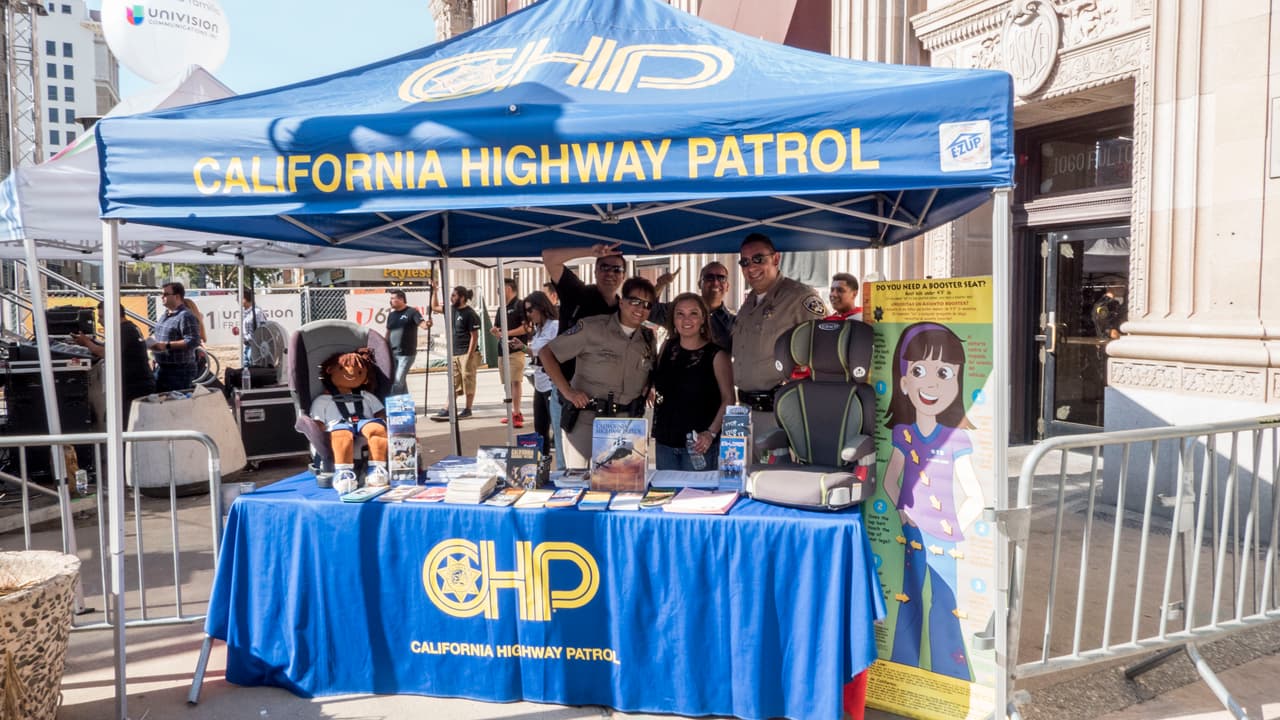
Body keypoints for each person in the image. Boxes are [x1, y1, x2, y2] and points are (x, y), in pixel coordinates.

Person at [882, 322, 983, 682]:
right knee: (909, 598)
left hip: (945, 540)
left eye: (944, 373)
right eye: (919, 371)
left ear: (957, 383)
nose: (931, 383)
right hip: (912, 534)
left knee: (944, 603)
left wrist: (957, 527)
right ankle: (903, 668)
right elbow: (889, 480)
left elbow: (976, 495)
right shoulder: (903, 433)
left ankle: (951, 675)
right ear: (904, 381)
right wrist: (903, 512)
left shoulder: (955, 438)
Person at [539, 277, 657, 469]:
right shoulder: (592, 328)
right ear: (621, 301)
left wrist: (648, 387)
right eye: (634, 301)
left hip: (627, 424)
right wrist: (568, 392)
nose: (640, 308)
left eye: (647, 305)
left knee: (623, 486)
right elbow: (546, 352)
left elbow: (648, 369)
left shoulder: (647, 337)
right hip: (588, 422)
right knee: (581, 483)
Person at [729, 232, 827, 459]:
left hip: (780, 413)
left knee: (777, 482)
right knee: (748, 481)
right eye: (744, 262)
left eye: (758, 259)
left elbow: (825, 348)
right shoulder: (749, 302)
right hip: (745, 411)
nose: (751, 267)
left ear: (776, 259)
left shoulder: (800, 297)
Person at [541, 243, 626, 464]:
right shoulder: (577, 293)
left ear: (624, 275)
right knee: (570, 469)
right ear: (595, 271)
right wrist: (591, 252)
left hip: (609, 403)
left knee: (611, 470)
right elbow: (549, 256)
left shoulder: (622, 309)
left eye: (616, 269)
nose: (610, 273)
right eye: (604, 267)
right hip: (572, 397)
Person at [651, 293, 734, 470]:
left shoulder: (717, 355)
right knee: (665, 496)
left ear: (703, 318)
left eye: (693, 313)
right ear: (673, 319)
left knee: (697, 497)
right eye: (680, 314)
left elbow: (729, 399)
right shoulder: (666, 347)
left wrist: (711, 433)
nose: (686, 319)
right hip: (665, 442)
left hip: (699, 445)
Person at [70, 302, 155, 427]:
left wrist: (87, 343)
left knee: (127, 426)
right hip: (134, 387)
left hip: (134, 389)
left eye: (102, 317)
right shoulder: (127, 328)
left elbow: (107, 352)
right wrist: (88, 343)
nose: (99, 321)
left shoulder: (124, 330)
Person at [512, 291, 559, 459]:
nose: (529, 315)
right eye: (526, 311)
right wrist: (523, 347)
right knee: (540, 428)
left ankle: (559, 463)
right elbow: (535, 352)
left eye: (531, 310)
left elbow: (551, 354)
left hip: (551, 383)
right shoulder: (540, 328)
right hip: (540, 382)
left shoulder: (554, 326)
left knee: (557, 428)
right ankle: (542, 463)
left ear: (542, 307)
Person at [650, 261, 736, 350]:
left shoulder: (734, 323)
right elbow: (648, 310)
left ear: (727, 286)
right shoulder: (679, 310)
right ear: (699, 284)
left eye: (721, 278)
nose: (715, 282)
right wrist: (660, 285)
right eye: (709, 277)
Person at [432, 286, 481, 420]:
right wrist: (435, 291)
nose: (451, 298)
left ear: (462, 297)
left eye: (454, 295)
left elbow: (474, 336)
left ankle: (468, 409)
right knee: (453, 381)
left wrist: (470, 355)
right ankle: (447, 408)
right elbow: (434, 307)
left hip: (467, 352)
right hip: (454, 352)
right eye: (451, 295)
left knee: (468, 380)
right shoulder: (451, 310)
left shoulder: (470, 314)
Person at [148, 282, 203, 393]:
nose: (162, 297)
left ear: (177, 296)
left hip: (179, 371)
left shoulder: (186, 316)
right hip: (163, 368)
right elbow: (161, 333)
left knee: (175, 405)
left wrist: (166, 345)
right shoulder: (166, 314)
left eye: (165, 294)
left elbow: (193, 340)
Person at [490, 278, 528, 428]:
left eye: (501, 287)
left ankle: (517, 412)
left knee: (515, 381)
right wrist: (495, 331)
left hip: (516, 350)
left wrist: (506, 333)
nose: (498, 291)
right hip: (502, 350)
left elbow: (526, 328)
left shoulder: (520, 305)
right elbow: (497, 328)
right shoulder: (501, 308)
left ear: (509, 288)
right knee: (507, 382)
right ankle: (512, 411)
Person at [385, 289, 430, 395]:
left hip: (406, 354)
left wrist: (428, 324)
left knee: (398, 381)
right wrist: (384, 346)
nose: (390, 301)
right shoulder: (391, 315)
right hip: (393, 353)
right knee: (400, 381)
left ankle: (393, 405)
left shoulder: (412, 312)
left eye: (392, 298)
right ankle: (407, 407)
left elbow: (423, 325)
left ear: (401, 299)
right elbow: (388, 332)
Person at [236, 287, 269, 366]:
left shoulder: (257, 312)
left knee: (252, 369)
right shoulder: (244, 312)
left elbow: (261, 331)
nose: (236, 300)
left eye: (238, 298)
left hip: (254, 347)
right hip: (246, 346)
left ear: (244, 299)